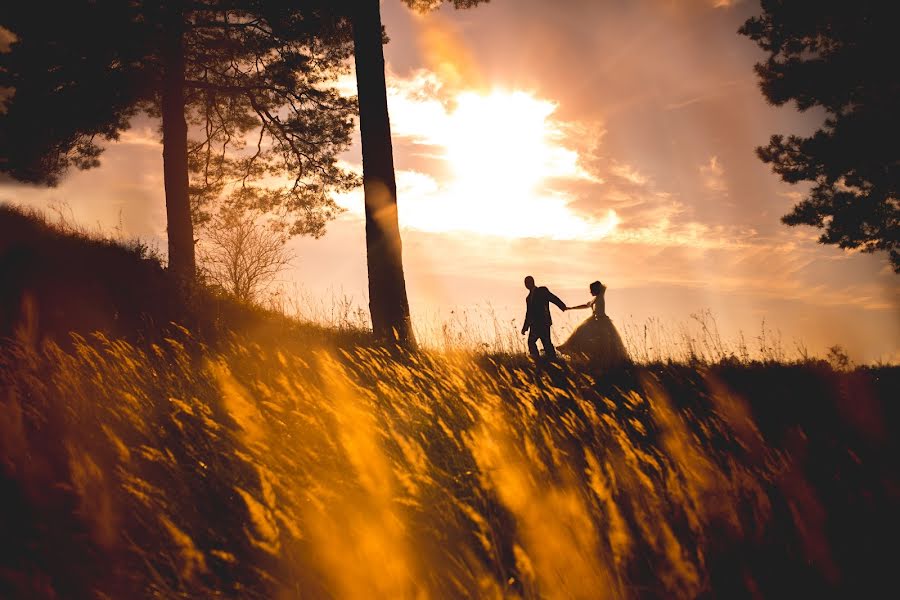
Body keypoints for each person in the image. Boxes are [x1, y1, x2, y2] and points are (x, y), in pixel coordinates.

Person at [558, 280, 628, 368]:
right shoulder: (595, 299)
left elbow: (601, 292)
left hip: (601, 322)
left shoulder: (600, 297)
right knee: (581, 334)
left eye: (591, 289)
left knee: (603, 343)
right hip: (594, 321)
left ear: (596, 289)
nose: (590, 291)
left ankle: (606, 363)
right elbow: (585, 305)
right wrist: (571, 308)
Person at [521, 275, 567, 359]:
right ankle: (536, 359)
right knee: (531, 342)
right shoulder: (528, 298)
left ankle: (553, 359)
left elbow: (552, 298)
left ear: (532, 282)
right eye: (525, 283)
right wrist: (525, 327)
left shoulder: (542, 290)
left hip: (543, 322)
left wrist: (562, 306)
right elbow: (528, 313)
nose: (526, 285)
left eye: (527, 282)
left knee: (546, 343)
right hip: (534, 324)